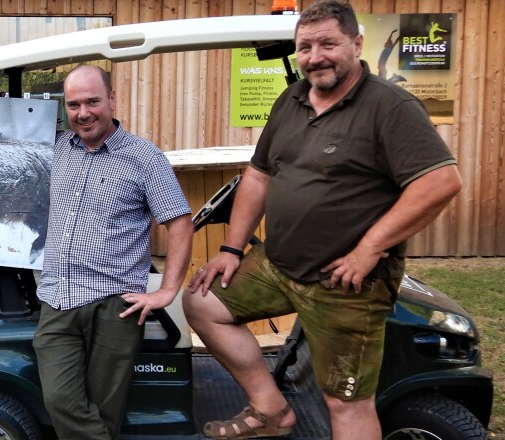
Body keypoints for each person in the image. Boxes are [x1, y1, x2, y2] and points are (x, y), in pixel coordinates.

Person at [184, 2, 462, 439]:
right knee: (202, 301)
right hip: (279, 264)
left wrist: (368, 249)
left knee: (346, 404)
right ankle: (270, 410)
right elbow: (258, 175)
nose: (315, 56)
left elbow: (440, 182)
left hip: (345, 282)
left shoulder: (389, 106)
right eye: (305, 47)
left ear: (355, 43)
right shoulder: (291, 99)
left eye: (328, 44)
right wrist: (231, 249)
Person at [0, 64, 194, 439]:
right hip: (58, 300)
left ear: (111, 99)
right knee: (61, 399)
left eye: (92, 101)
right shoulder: (53, 147)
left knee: (105, 409)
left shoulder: (144, 158)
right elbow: (1, 140)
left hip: (115, 304)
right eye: (74, 104)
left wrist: (167, 290)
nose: (83, 113)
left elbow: (180, 223)